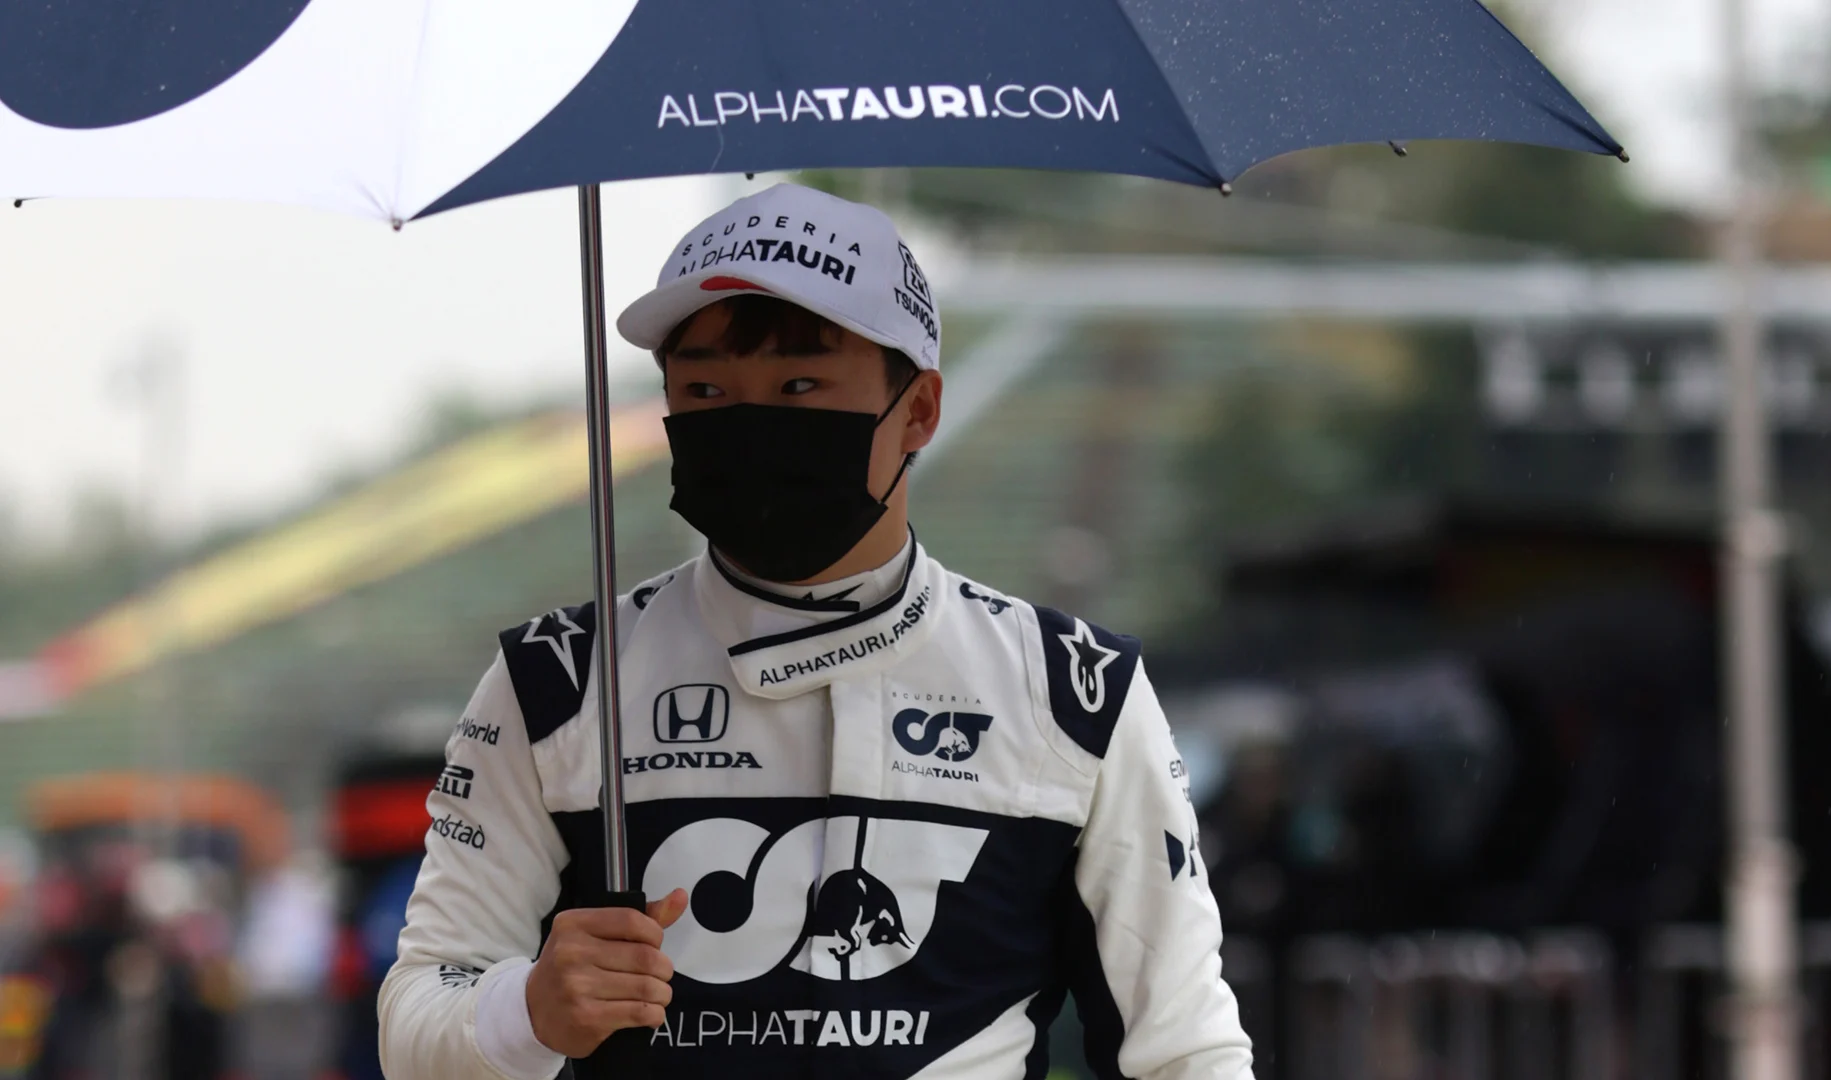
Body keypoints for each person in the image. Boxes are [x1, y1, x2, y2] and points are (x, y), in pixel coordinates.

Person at [377, 183, 1253, 1079]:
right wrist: (526, 1012)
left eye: (799, 385)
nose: (751, 426)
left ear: (919, 410)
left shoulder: (1072, 689)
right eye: (708, 391)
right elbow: (415, 1019)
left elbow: (1186, 1050)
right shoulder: (556, 682)